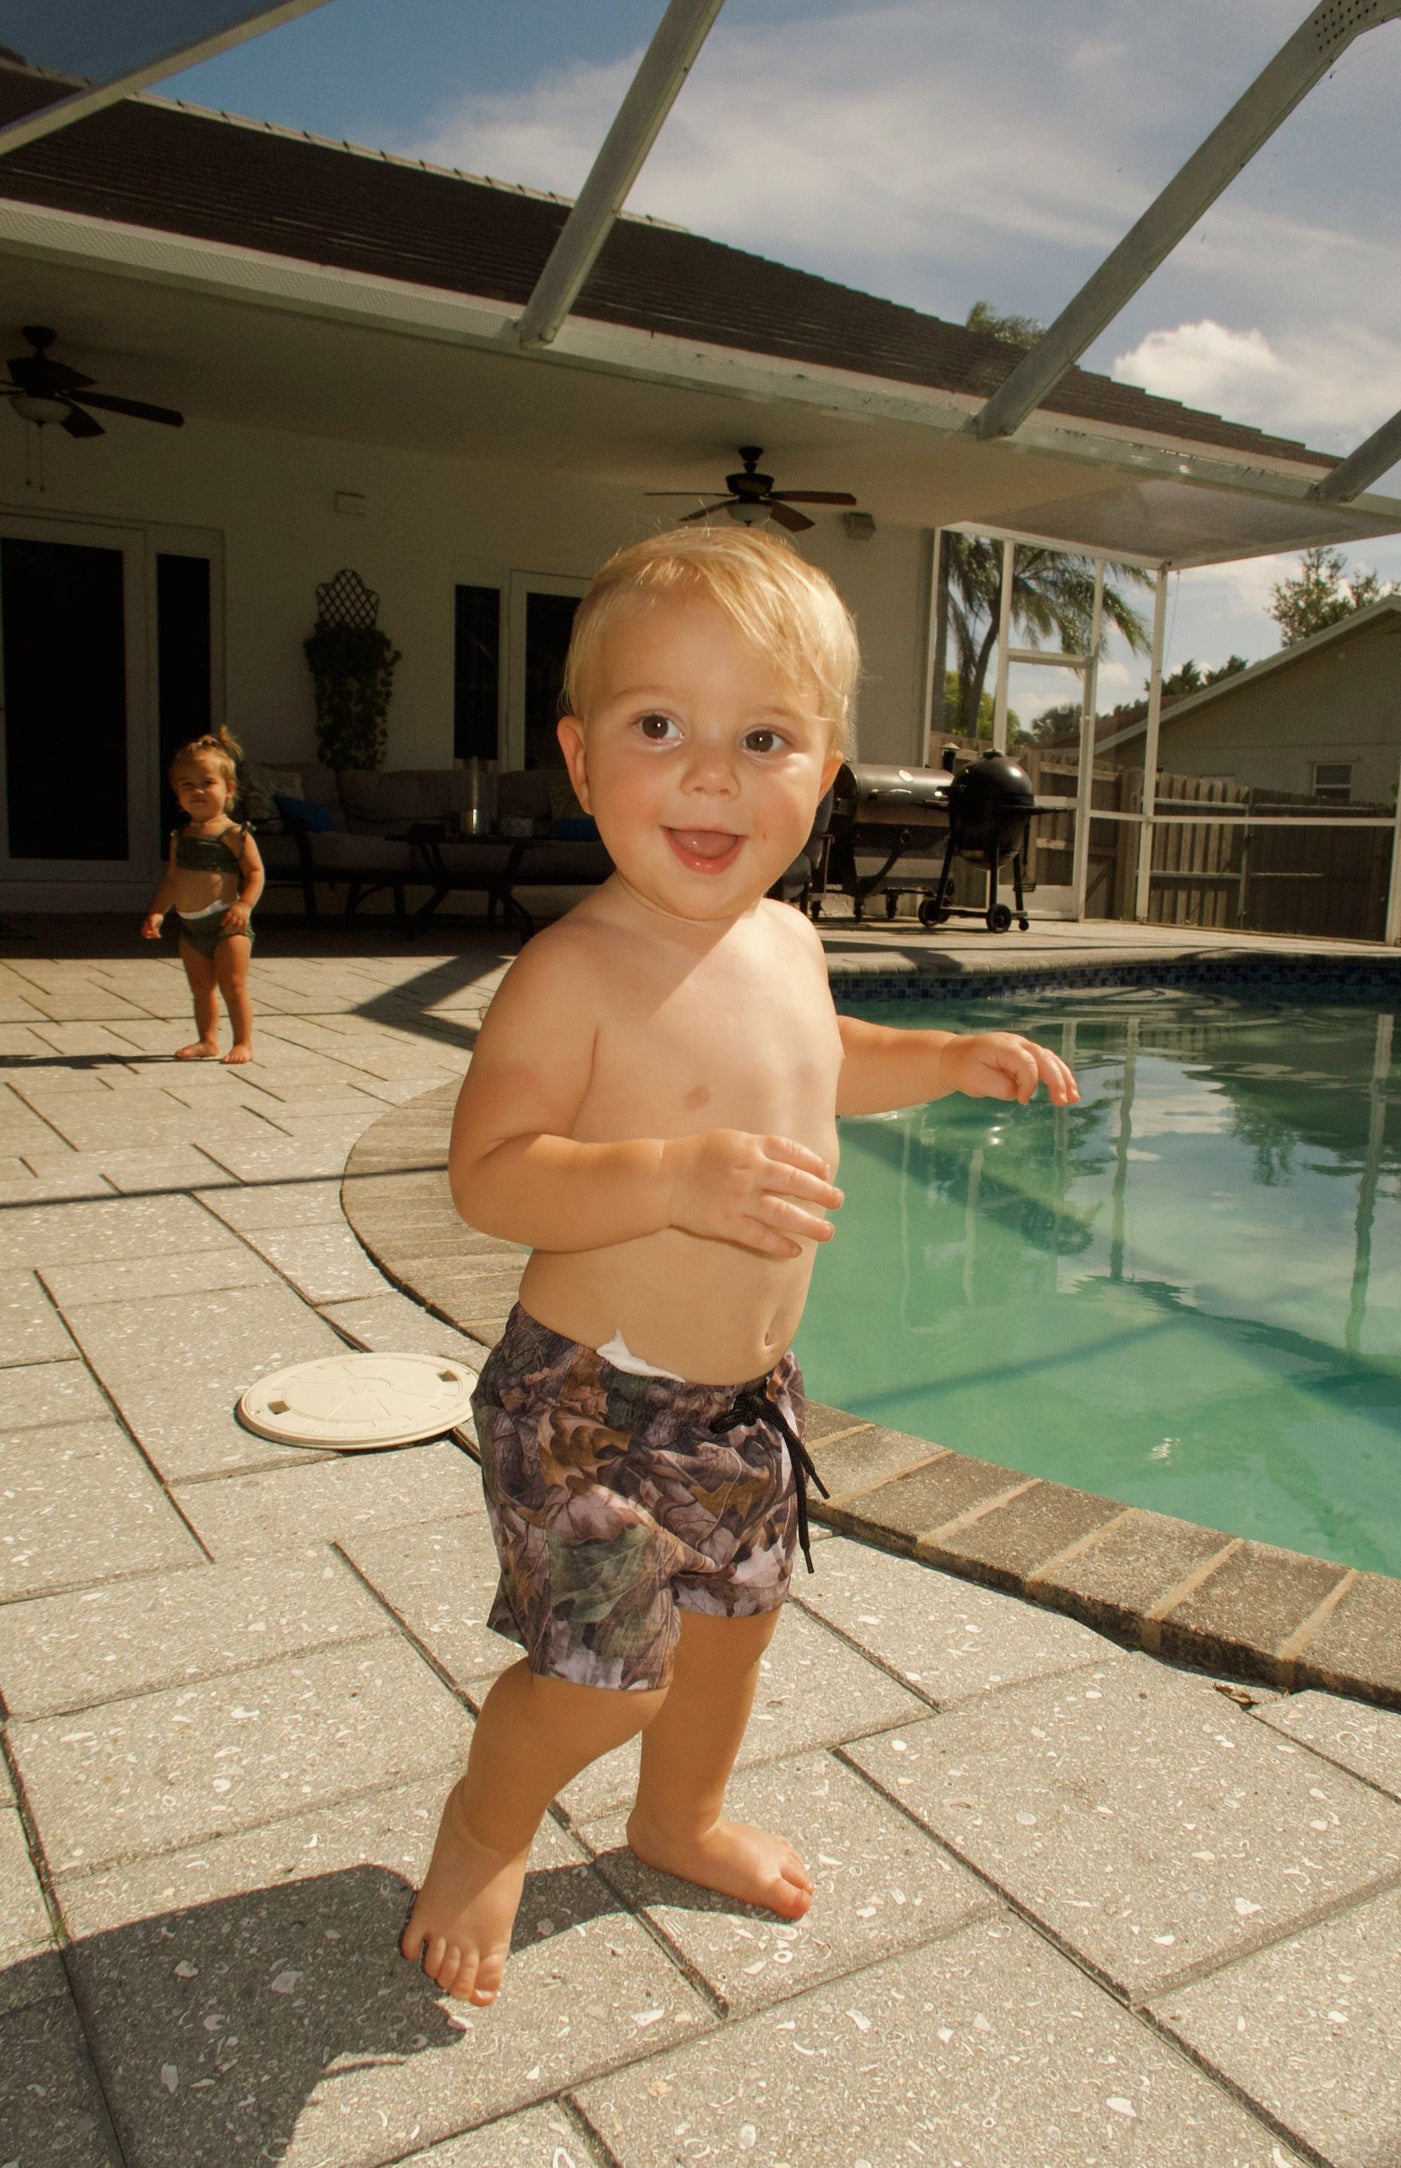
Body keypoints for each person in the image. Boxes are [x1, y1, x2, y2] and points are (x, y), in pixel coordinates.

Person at [402, 526, 1078, 2009]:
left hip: (742, 1402)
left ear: (820, 775)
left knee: (731, 1633)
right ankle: (482, 1829)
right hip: (590, 1404)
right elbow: (487, 1171)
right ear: (581, 763)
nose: (710, 774)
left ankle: (677, 1818)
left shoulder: (784, 940)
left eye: (760, 737)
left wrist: (947, 1057)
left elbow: (822, 1061)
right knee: (604, 1675)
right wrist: (666, 1175)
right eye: (660, 728)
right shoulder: (572, 968)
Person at [141, 727, 264, 1064]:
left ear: (229, 790)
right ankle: (207, 1040)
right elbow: (171, 880)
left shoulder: (234, 833)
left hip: (227, 922)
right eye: (187, 784)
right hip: (191, 927)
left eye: (207, 782)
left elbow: (255, 873)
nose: (197, 790)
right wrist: (157, 911)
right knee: (200, 989)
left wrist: (244, 904)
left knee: (232, 985)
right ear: (177, 794)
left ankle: (243, 1043)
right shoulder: (179, 836)